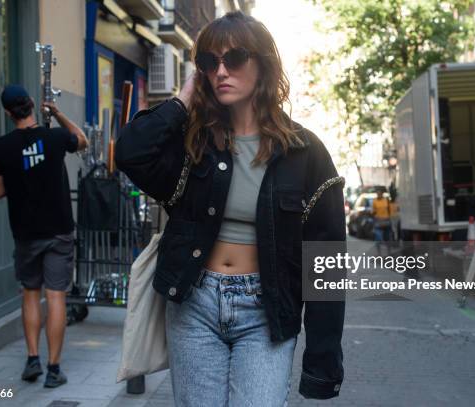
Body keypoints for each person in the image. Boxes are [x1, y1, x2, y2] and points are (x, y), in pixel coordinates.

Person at [115, 11, 346, 406]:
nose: (221, 71)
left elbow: (325, 261)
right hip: (194, 302)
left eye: (234, 59)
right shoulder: (193, 143)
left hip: (266, 310)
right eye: (209, 62)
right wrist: (184, 98)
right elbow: (131, 153)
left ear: (263, 65)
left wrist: (322, 360)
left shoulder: (304, 152)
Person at [0, 85, 88, 388]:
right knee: (56, 296)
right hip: (58, 229)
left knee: (30, 293)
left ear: (8, 113)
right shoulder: (55, 137)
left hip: (25, 231)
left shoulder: (1, 147)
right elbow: (82, 141)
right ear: (32, 105)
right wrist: (58, 113)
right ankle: (54, 369)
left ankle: (32, 359)